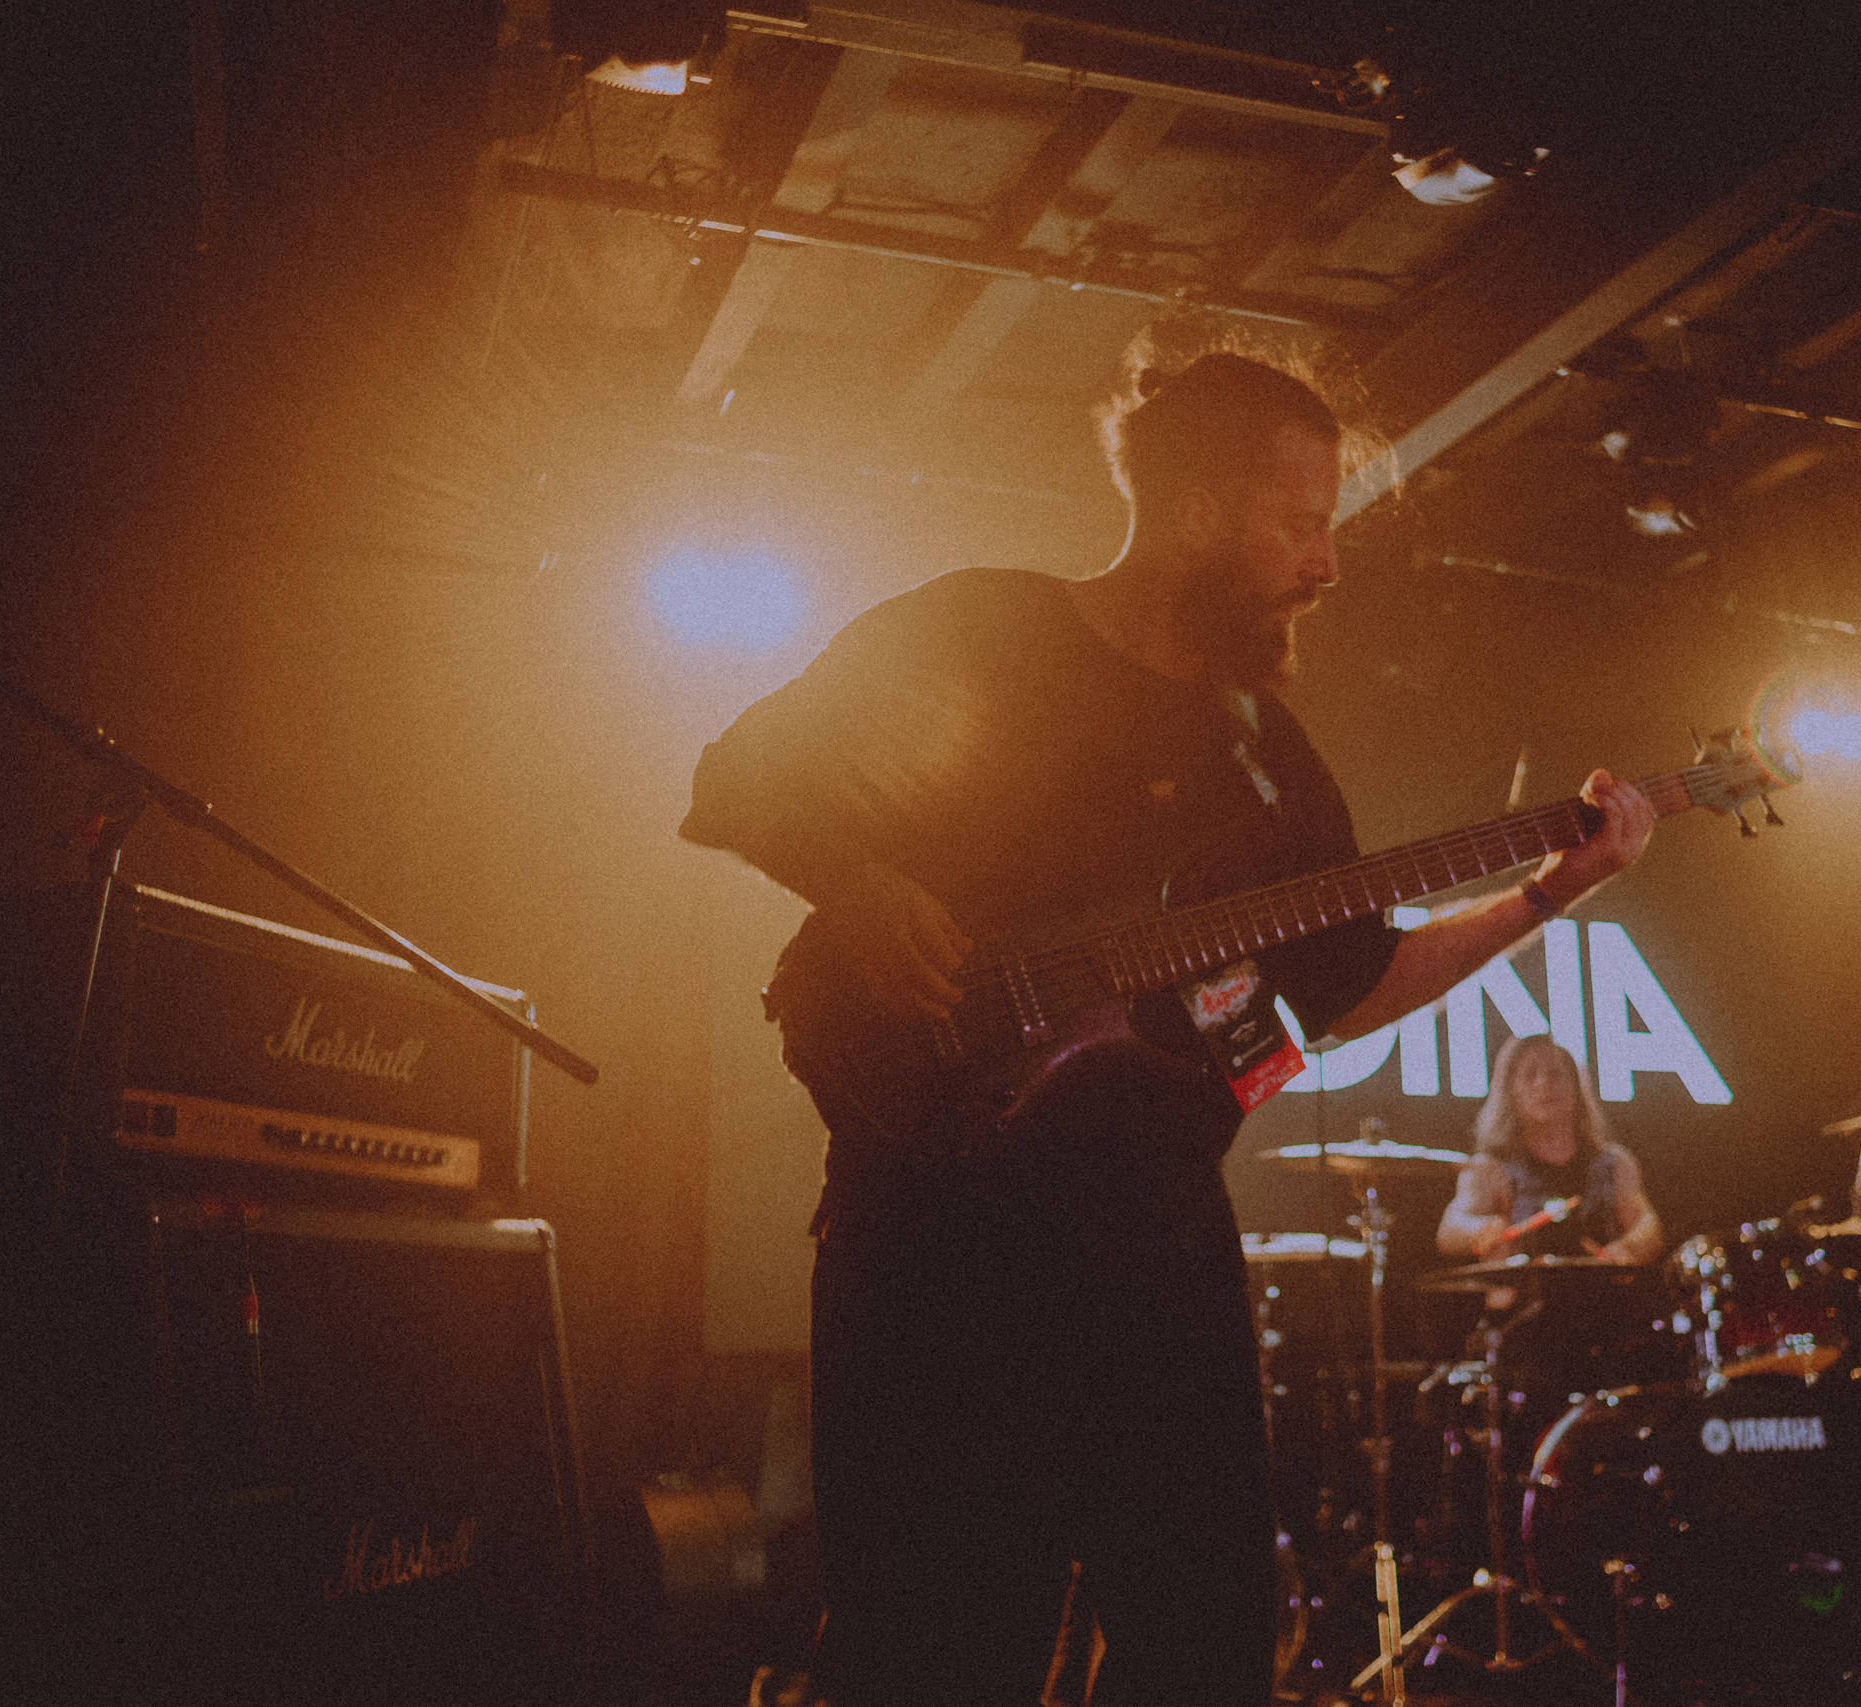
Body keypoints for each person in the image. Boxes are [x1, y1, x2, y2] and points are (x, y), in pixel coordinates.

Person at [679, 349, 1655, 1707]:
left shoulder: (1266, 755)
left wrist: (1556, 884)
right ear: (1196, 508)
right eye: (1300, 522)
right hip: (935, 1244)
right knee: (932, 1651)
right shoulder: (982, 631)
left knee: (1196, 1649)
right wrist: (853, 881)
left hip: (1154, 1258)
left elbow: (1353, 981)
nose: (1326, 565)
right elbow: (737, 774)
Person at [1437, 1035, 1664, 1266]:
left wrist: (1626, 1248)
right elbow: (1450, 1228)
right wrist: (1480, 1229)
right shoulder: (1489, 1167)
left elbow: (1647, 1224)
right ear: (1511, 1091)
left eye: (1555, 1074)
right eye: (1530, 1075)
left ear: (1576, 1087)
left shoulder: (1615, 1162)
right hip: (1521, 1298)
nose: (1543, 1083)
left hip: (1604, 1296)